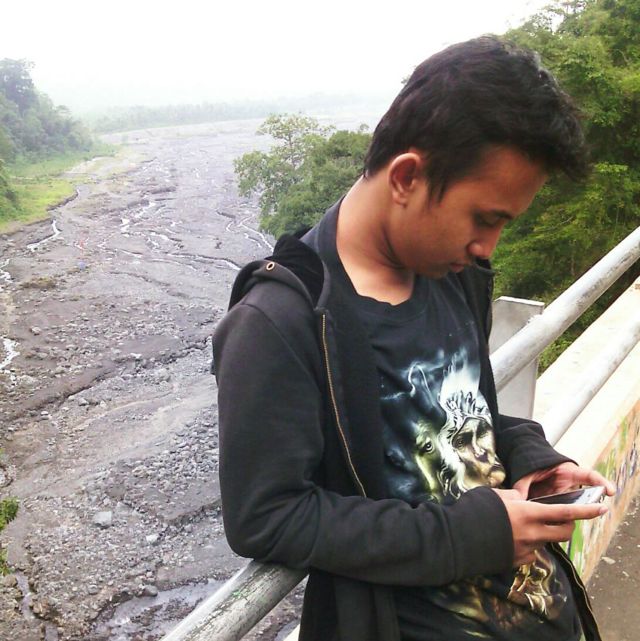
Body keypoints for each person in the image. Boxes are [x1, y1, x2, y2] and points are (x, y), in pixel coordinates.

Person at [212, 36, 616, 641]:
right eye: (484, 219)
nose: (487, 247)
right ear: (406, 177)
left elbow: (461, 417)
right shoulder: (281, 321)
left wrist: (531, 456)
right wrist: (470, 535)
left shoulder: (452, 275)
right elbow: (267, 517)